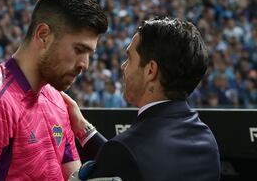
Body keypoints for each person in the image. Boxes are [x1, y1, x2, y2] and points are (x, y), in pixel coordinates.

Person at [0, 0, 108, 181]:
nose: (85, 64)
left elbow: (73, 176)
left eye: (89, 54)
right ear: (43, 35)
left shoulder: (57, 100)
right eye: (79, 50)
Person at [63, 17, 221, 181]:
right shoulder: (206, 140)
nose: (123, 66)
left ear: (150, 71)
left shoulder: (126, 150)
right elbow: (142, 163)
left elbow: (130, 158)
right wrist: (84, 129)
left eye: (130, 58)